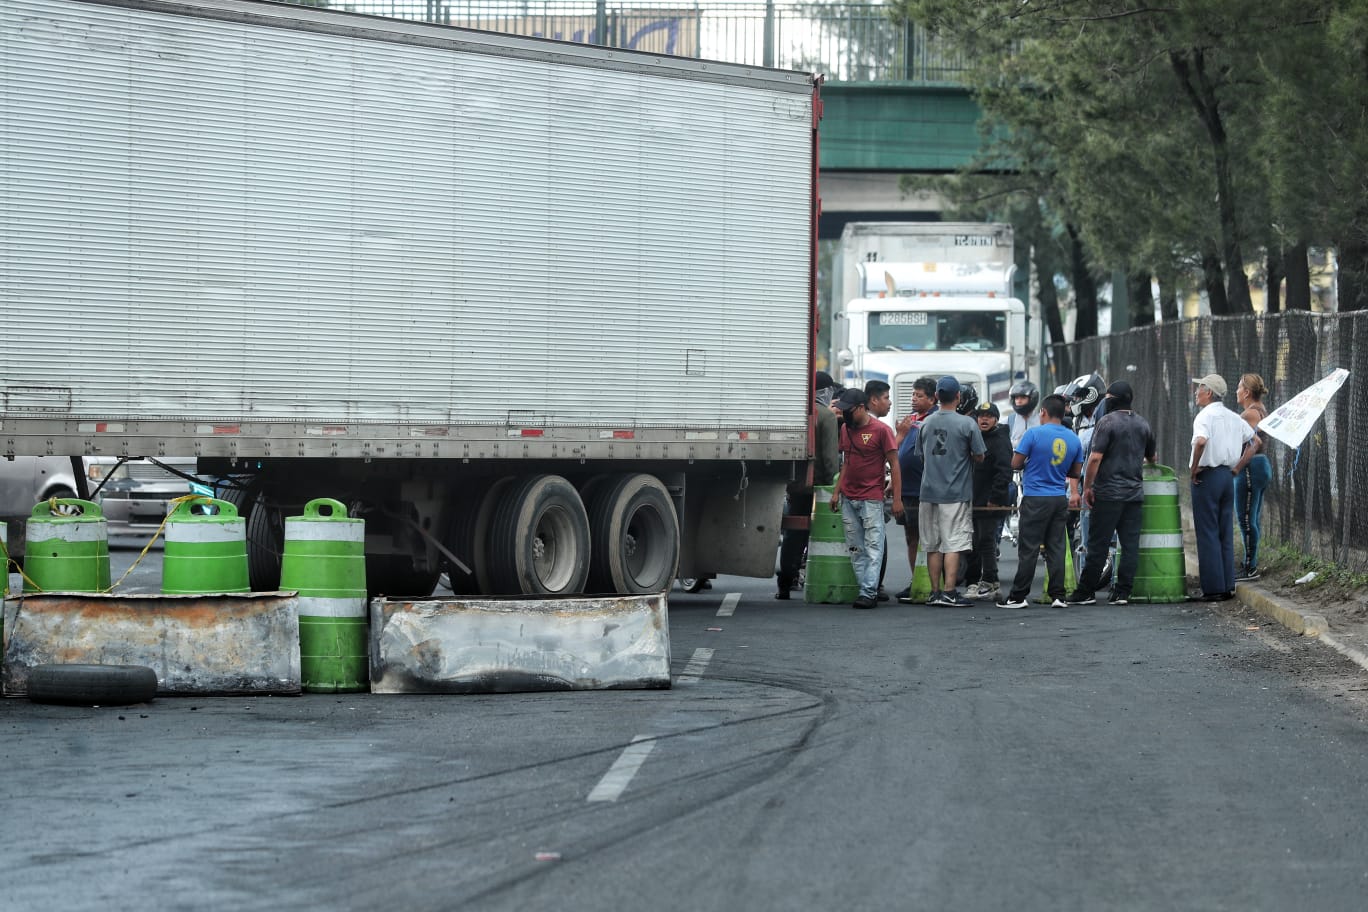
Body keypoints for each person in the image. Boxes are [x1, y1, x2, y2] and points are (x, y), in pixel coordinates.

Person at [1067, 381, 1157, 606]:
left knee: (1098, 545)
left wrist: (1087, 487)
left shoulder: (1106, 423)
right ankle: (1122, 592)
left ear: (1113, 399)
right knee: (1129, 545)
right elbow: (1152, 458)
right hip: (1134, 495)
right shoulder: (1143, 424)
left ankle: (1086, 591)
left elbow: (1095, 458)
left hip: (1107, 494)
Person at [997, 394, 1083, 610]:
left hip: (1035, 497)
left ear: (1043, 412)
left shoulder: (1033, 434)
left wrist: (1030, 462)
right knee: (1056, 547)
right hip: (1058, 498)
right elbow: (1075, 471)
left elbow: (1015, 464)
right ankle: (1058, 596)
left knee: (1029, 548)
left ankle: (1018, 596)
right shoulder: (1073, 438)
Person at [913, 376, 985, 607]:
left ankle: (934, 592)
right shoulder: (967, 424)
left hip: (928, 491)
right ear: (958, 397)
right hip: (955, 492)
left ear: (936, 397)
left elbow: (921, 456)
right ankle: (950, 591)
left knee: (932, 545)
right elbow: (980, 455)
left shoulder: (925, 423)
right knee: (953, 543)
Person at [830, 389, 902, 609]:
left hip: (871, 498)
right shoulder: (845, 429)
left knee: (873, 546)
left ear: (861, 408)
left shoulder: (882, 430)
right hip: (848, 497)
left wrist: (897, 499)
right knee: (855, 547)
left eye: (847, 410)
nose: (843, 415)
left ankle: (868, 591)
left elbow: (894, 465)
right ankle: (866, 590)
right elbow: (846, 463)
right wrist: (836, 491)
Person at [1188, 373, 1256, 602]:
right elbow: (1255, 441)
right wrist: (1237, 467)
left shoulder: (1204, 417)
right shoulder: (1234, 417)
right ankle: (1227, 585)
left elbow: (1201, 441)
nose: (1196, 392)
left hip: (1207, 477)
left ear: (1209, 393)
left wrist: (1194, 467)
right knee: (1224, 530)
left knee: (1207, 531)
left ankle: (1213, 588)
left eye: (1200, 388)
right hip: (1227, 477)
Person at [776, 371, 841, 599]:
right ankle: (817, 576)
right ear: (825, 392)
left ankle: (785, 582)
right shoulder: (826, 416)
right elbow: (831, 457)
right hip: (820, 484)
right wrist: (834, 485)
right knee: (822, 532)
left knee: (794, 534)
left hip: (795, 483)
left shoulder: (796, 412)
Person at [894, 376, 938, 604]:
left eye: (919, 396)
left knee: (929, 538)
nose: (914, 399)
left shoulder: (935, 419)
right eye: (913, 394)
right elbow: (895, 450)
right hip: (907, 489)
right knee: (911, 536)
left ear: (933, 399)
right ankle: (916, 580)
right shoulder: (910, 420)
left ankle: (933, 583)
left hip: (926, 489)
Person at [963, 401, 1013, 601]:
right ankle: (989, 582)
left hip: (990, 500)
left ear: (996, 419)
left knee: (984, 541)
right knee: (977, 541)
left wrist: (995, 498)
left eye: (989, 416)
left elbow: (1005, 471)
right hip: (974, 498)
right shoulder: (976, 437)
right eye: (981, 416)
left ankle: (986, 581)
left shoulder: (1000, 439)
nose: (984, 419)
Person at [1233, 373, 1271, 580]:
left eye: (1239, 387)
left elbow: (1243, 442)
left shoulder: (1249, 414)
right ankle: (1250, 562)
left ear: (1247, 392)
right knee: (1252, 517)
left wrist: (1236, 467)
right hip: (1260, 466)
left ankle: (1250, 567)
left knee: (1246, 519)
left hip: (1250, 467)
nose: (1236, 391)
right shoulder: (1261, 409)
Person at [865, 379, 895, 601]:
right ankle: (873, 586)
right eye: (886, 398)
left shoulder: (857, 425)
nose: (890, 403)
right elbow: (892, 459)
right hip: (872, 492)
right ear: (873, 400)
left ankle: (869, 585)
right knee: (876, 541)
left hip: (864, 492)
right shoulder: (879, 428)